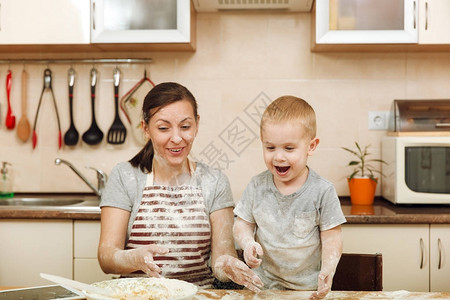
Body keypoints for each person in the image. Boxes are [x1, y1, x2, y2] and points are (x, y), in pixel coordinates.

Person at [98, 82, 263, 292]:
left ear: (197, 124)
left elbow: (222, 256)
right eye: (163, 128)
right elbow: (106, 257)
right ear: (145, 129)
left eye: (185, 127)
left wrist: (229, 266)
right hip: (137, 295)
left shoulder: (215, 181)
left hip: (199, 295)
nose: (177, 138)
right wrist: (133, 258)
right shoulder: (125, 176)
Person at [233, 95, 346, 299]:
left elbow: (332, 237)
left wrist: (329, 268)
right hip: (262, 289)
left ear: (311, 146)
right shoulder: (257, 186)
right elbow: (242, 224)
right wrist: (248, 243)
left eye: (289, 148)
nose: (278, 156)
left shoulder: (322, 191)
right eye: (270, 147)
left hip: (307, 291)